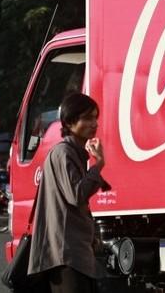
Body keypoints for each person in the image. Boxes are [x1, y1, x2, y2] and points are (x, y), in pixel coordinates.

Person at [27, 93, 110, 293]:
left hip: (75, 252)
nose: (94, 124)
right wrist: (99, 164)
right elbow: (76, 195)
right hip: (65, 254)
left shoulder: (74, 153)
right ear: (70, 122)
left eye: (95, 118)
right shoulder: (63, 153)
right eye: (87, 118)